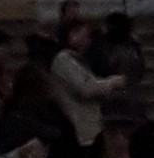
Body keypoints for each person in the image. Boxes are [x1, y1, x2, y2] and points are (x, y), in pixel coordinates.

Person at [48, 12, 124, 148]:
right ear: (72, 35)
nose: (89, 40)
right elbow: (86, 88)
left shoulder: (76, 61)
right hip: (80, 129)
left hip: (88, 126)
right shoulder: (63, 60)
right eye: (85, 35)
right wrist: (112, 83)